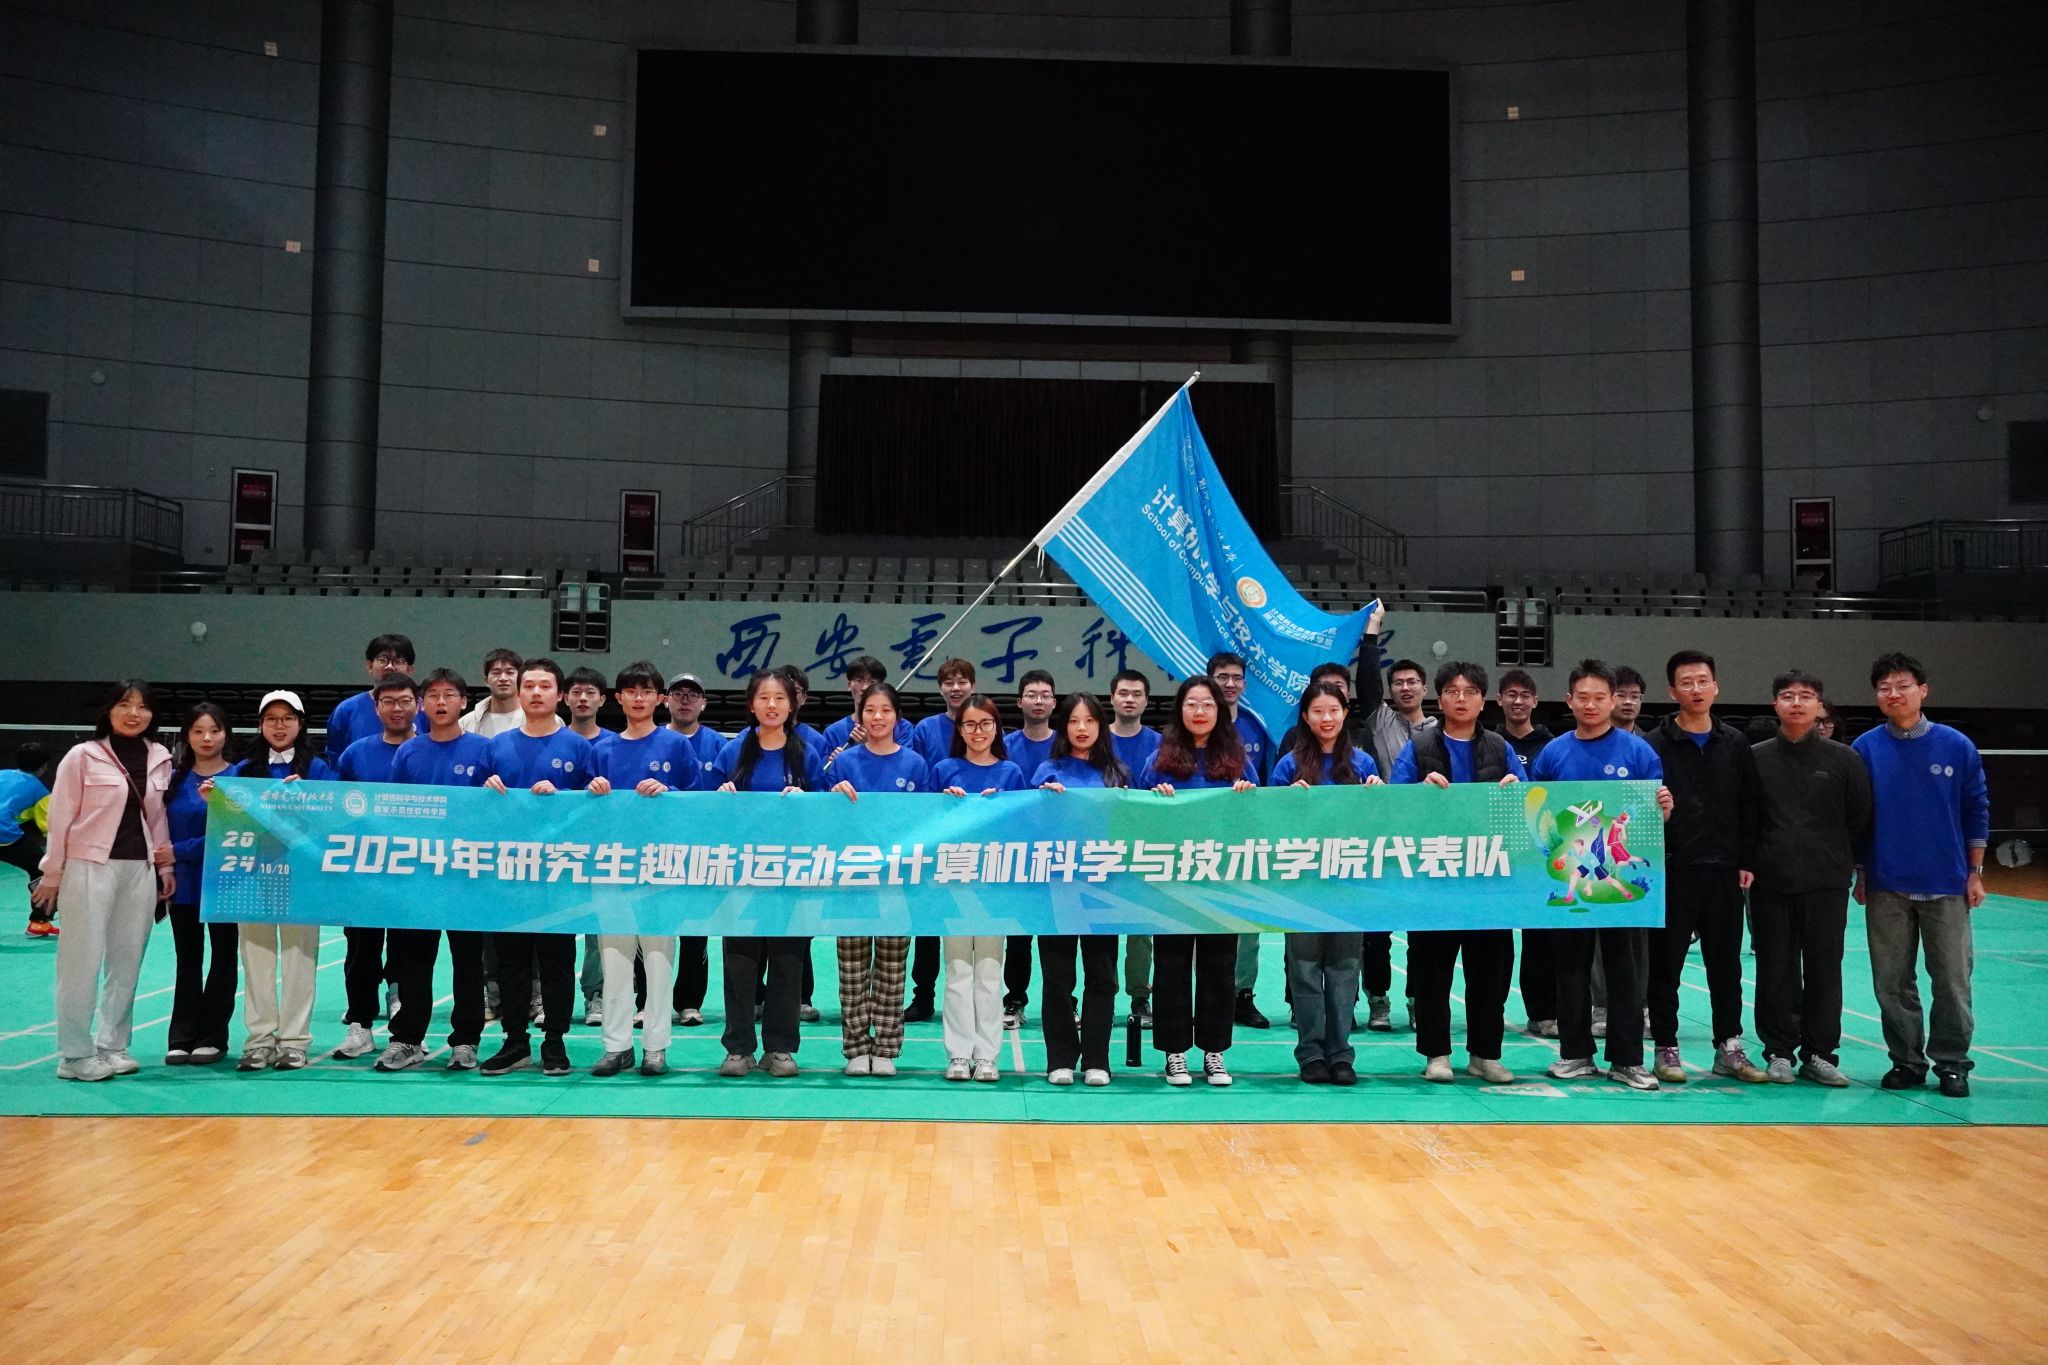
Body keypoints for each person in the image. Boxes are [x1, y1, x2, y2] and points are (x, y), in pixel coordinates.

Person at [1528, 659, 1674, 1091]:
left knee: (1625, 970)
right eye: (1582, 697)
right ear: (1569, 701)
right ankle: (1575, 1054)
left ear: (1613, 701)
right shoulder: (1553, 753)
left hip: (1620, 880)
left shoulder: (1638, 752)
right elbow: (1539, 814)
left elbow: (1652, 819)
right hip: (1572, 878)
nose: (1590, 705)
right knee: (1571, 967)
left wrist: (1665, 809)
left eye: (1599, 697)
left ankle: (1627, 1060)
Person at [1853, 651, 1989, 1099]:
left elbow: (1976, 808)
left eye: (1903, 686)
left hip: (1947, 883)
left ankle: (1952, 1064)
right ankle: (1906, 1061)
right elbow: (1858, 817)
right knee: (1891, 983)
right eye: (1884, 688)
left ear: (1923, 691)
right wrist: (1862, 872)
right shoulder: (1865, 748)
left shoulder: (1956, 746)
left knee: (1951, 981)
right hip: (1886, 883)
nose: (1893, 694)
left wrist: (1974, 872)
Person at [1391, 662, 1526, 1085]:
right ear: (1441, 698)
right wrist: (1418, 793)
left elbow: (1529, 804)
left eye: (1470, 692)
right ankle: (1437, 1054)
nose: (1461, 698)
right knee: (1432, 971)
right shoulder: (1418, 747)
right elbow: (1391, 806)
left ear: (1483, 701)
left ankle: (1485, 1054)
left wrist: (1516, 792)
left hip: (1488, 880)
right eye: (1452, 691)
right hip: (1435, 878)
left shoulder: (1500, 748)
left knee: (1490, 971)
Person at [34, 681, 174, 1081]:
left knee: (127, 961)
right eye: (125, 705)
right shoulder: (83, 756)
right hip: (89, 865)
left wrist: (164, 868)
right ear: (109, 710)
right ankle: (75, 1054)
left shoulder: (159, 756)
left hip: (139, 869)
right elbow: (60, 816)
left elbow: (157, 817)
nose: (134, 714)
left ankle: (112, 1045)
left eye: (142, 707)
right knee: (80, 960)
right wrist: (52, 872)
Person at [1643, 650, 1767, 1086]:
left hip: (1724, 871)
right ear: (1671, 691)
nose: (1695, 689)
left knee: (1726, 965)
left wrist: (1746, 859)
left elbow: (1749, 804)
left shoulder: (1734, 743)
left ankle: (1729, 1047)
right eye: (1686, 682)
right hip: (1673, 871)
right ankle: (1665, 1046)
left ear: (1715, 686)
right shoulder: (1653, 744)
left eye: (1702, 681)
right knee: (1666, 966)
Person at [1751, 669, 1871, 1086]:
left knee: (1824, 969)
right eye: (1788, 695)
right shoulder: (1756, 757)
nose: (1797, 703)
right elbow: (1746, 818)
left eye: (1806, 696)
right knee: (1775, 969)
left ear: (1820, 706)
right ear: (1775, 705)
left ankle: (1820, 1053)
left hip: (1826, 883)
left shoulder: (1845, 760)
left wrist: (1838, 861)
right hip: (1770, 883)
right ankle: (1778, 1051)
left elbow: (1859, 818)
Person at [1137, 676, 1256, 1087]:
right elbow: (1135, 814)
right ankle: (1174, 1052)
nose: (1200, 711)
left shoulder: (1237, 759)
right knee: (1171, 967)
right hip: (1172, 881)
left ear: (1219, 711)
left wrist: (1247, 795)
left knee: (1219, 967)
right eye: (1192, 704)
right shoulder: (1158, 760)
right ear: (1180, 710)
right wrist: (1154, 800)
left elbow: (1258, 816)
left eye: (1207, 704)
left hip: (1222, 881)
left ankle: (1214, 1052)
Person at [478, 658, 591, 1078]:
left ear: (559, 695)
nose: (537, 692)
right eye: (530, 686)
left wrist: (568, 797)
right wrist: (485, 792)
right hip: (509, 874)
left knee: (558, 960)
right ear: (519, 692)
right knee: (510, 961)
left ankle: (555, 1041)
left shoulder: (579, 748)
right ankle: (514, 1041)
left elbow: (595, 810)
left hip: (559, 875)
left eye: (545, 686)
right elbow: (473, 812)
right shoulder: (496, 747)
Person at [584, 660, 698, 1078]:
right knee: (614, 960)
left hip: (660, 868)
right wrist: (591, 791)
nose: (638, 698)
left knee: (658, 960)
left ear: (659, 699)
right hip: (612, 868)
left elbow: (698, 802)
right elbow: (581, 814)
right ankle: (616, 1046)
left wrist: (669, 791)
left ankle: (655, 1046)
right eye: (630, 691)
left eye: (646, 691)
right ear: (618, 698)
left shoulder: (676, 747)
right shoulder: (602, 750)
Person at [375, 668, 493, 1072]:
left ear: (464, 701)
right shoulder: (408, 753)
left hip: (466, 874)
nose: (441, 702)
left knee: (468, 962)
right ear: (423, 704)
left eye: (449, 695)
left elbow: (497, 812)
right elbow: (394, 813)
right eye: (434, 696)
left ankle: (466, 1041)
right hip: (420, 875)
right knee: (413, 961)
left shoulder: (483, 750)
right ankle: (407, 1039)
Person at [710, 669, 822, 1079]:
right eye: (764, 698)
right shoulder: (733, 752)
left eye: (779, 698)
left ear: (792, 705)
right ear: (751, 704)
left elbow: (827, 809)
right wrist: (720, 796)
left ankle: (780, 1048)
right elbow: (703, 807)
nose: (772, 705)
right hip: (740, 875)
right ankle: (738, 1048)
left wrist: (808, 800)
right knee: (739, 961)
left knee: (788, 962)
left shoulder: (806, 754)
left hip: (792, 876)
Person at [219, 690, 338, 1070]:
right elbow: (226, 816)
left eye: (288, 718)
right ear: (261, 725)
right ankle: (258, 1041)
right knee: (256, 960)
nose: (279, 726)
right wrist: (213, 799)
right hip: (253, 878)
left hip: (302, 879)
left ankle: (294, 1041)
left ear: (301, 724)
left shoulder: (318, 770)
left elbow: (334, 816)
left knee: (299, 959)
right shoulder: (242, 771)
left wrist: (310, 800)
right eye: (271, 719)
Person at [1271, 680, 1383, 1084]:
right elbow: (1269, 825)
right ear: (1305, 716)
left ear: (1344, 714)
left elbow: (1379, 824)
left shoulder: (1364, 764)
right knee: (1304, 969)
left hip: (1349, 884)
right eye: (1317, 711)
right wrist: (1286, 801)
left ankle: (1341, 1054)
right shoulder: (1288, 766)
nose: (1326, 718)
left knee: (1344, 969)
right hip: (1301, 884)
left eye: (1333, 710)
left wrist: (1379, 796)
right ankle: (1311, 1053)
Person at [828, 682, 927, 1077]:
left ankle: (885, 1046)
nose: (878, 717)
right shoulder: (844, 762)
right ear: (861, 716)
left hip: (898, 880)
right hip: (852, 877)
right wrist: (832, 793)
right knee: (852, 967)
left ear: (897, 717)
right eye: (870, 710)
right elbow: (824, 818)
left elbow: (928, 820)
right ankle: (855, 1047)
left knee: (892, 966)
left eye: (885, 710)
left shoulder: (915, 764)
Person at [1032, 691, 1126, 1086]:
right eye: (1074, 721)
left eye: (1089, 720)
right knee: (1058, 977)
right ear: (1063, 726)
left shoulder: (1117, 774)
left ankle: (1097, 1059)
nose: (1082, 728)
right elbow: (1027, 826)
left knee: (1102, 977)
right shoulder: (1047, 771)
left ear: (1101, 726)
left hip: (1105, 889)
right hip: (1057, 888)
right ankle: (1060, 1059)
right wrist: (1043, 802)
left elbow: (1133, 824)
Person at [933, 693, 1026, 1082]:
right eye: (969, 724)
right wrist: (944, 805)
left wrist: (1000, 808)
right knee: (957, 971)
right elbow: (925, 827)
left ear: (996, 728)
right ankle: (958, 1054)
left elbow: (1023, 828)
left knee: (989, 972)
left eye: (986, 724)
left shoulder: (1011, 773)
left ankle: (987, 1055)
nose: (978, 731)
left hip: (995, 887)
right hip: (953, 885)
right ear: (959, 729)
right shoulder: (943, 770)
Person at [331, 672, 421, 1061]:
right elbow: (338, 811)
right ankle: (361, 1026)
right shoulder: (355, 754)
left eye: (404, 701)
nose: (397, 708)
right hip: (363, 871)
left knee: (409, 952)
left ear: (417, 704)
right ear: (376, 706)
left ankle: (408, 1029)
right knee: (361, 951)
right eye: (389, 701)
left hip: (414, 870)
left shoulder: (427, 750)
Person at [1356, 616, 1431, 1034]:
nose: (1405, 687)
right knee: (1377, 928)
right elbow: (1366, 685)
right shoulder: (1381, 722)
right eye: (1397, 682)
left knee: (1422, 929)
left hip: (1426, 840)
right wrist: (1371, 634)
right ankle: (1378, 1000)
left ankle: (1419, 999)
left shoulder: (1440, 730)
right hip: (1382, 837)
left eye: (1412, 682)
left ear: (1424, 688)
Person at [1206, 650, 1277, 1030]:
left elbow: (1266, 784)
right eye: (1222, 677)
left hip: (1246, 840)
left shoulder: (1256, 725)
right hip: (1201, 844)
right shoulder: (1194, 725)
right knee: (1200, 920)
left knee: (1247, 922)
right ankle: (1204, 995)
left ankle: (1241, 995)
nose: (1230, 684)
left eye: (1236, 677)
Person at [902, 659, 976, 1022]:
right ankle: (923, 996)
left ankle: (978, 997)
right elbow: (917, 777)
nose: (956, 688)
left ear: (973, 686)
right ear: (940, 688)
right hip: (933, 836)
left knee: (974, 923)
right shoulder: (925, 729)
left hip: (976, 838)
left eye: (962, 681)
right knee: (928, 924)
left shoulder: (982, 721)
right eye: (949, 682)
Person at [161, 707, 235, 1064]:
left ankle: (213, 1037)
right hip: (183, 885)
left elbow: (233, 835)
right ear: (186, 736)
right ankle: (181, 1036)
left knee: (223, 959)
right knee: (187, 960)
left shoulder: (239, 778)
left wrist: (179, 851)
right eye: (198, 731)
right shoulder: (172, 779)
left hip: (228, 884)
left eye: (215, 730)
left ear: (226, 734)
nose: (207, 738)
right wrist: (167, 867)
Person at [1496, 667, 1558, 1038]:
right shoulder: (1488, 743)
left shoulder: (1553, 747)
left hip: (1541, 856)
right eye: (1511, 694)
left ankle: (1543, 1012)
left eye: (1524, 695)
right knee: (1495, 940)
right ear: (1499, 700)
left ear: (1535, 701)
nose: (1517, 701)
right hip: (1499, 854)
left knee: (1541, 939)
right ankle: (1491, 1012)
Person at [663, 669, 723, 1026]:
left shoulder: (718, 745)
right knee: (653, 929)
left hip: (702, 852)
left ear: (704, 703)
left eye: (692, 694)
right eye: (678, 693)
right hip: (658, 849)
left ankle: (689, 1001)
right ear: (665, 700)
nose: (684, 700)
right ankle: (647, 1000)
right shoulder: (653, 739)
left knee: (695, 932)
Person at [1001, 668, 1059, 1028]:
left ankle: (1064, 1002)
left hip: (1060, 853)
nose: (1038, 701)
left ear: (1054, 702)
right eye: (1032, 695)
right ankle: (1014, 999)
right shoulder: (1004, 746)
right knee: (1018, 935)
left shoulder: (1066, 743)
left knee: (1059, 935)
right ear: (1020, 701)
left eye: (1045, 695)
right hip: (1016, 853)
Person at [1107, 668, 1161, 1026]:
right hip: (1102, 845)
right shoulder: (1095, 738)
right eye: (1123, 693)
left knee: (1141, 929)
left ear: (1146, 700)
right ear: (1112, 698)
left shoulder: (1160, 744)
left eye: (1136, 694)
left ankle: (1140, 997)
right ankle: (1100, 994)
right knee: (1101, 928)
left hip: (1144, 846)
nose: (1129, 699)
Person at [563, 664, 613, 1027]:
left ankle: (595, 994)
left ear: (602, 700)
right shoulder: (552, 740)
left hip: (603, 852)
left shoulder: (612, 744)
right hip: (560, 852)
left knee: (598, 931)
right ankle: (552, 997)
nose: (583, 698)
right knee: (556, 929)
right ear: (565, 698)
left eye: (590, 692)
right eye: (576, 692)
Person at [323, 633, 425, 760]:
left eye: (398, 661)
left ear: (409, 669)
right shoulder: (346, 710)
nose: (389, 667)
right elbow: (335, 758)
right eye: (383, 660)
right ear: (369, 666)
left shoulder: (426, 709)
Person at [3, 741, 53, 935]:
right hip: (5, 836)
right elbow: (48, 828)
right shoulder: (40, 792)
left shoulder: (2, 774)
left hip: (6, 831)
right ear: (44, 766)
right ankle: (39, 922)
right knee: (43, 870)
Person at [461, 648, 524, 737]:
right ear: (486, 681)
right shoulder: (467, 723)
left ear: (521, 679)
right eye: (496, 673)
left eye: (510, 672)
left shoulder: (534, 719)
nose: (503, 678)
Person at [1612, 665, 1648, 735]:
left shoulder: (1649, 740)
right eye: (1621, 695)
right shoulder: (1591, 738)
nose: (1628, 701)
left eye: (1634, 696)